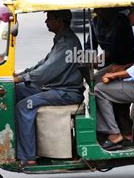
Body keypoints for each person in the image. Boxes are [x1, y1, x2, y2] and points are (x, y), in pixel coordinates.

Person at [13, 10, 85, 165]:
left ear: (59, 21)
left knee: (24, 107)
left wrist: (21, 78)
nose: (46, 22)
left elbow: (46, 72)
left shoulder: (67, 43)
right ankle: (21, 143)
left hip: (65, 92)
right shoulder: (61, 40)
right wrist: (21, 75)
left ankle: (28, 156)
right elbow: (43, 63)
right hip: (54, 88)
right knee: (15, 91)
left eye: (49, 19)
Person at [94, 5, 134, 150]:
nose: (128, 16)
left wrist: (114, 74)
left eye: (131, 13)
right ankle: (126, 130)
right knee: (101, 81)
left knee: (99, 90)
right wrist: (122, 68)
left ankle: (114, 134)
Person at [85, 8, 134, 144]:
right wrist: (88, 58)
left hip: (126, 63)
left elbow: (115, 48)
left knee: (105, 90)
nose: (96, 10)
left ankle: (120, 131)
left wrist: (101, 59)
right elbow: (90, 44)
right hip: (110, 64)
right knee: (93, 82)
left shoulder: (122, 21)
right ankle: (104, 127)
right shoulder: (95, 22)